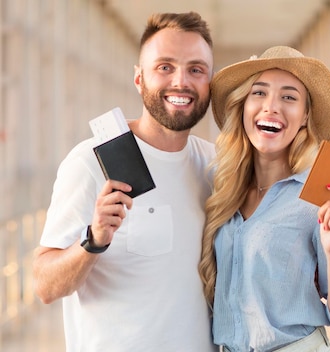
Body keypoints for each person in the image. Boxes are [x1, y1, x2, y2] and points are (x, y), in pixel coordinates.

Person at [32, 12, 218, 352]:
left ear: (210, 81)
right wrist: (95, 239)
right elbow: (45, 286)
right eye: (165, 67)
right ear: (139, 79)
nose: (181, 81)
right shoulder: (90, 161)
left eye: (196, 69)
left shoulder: (213, 165)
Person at [199, 46, 330, 352]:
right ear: (243, 106)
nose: (271, 107)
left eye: (289, 97)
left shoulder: (323, 195)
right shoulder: (225, 190)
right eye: (259, 93)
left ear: (305, 116)